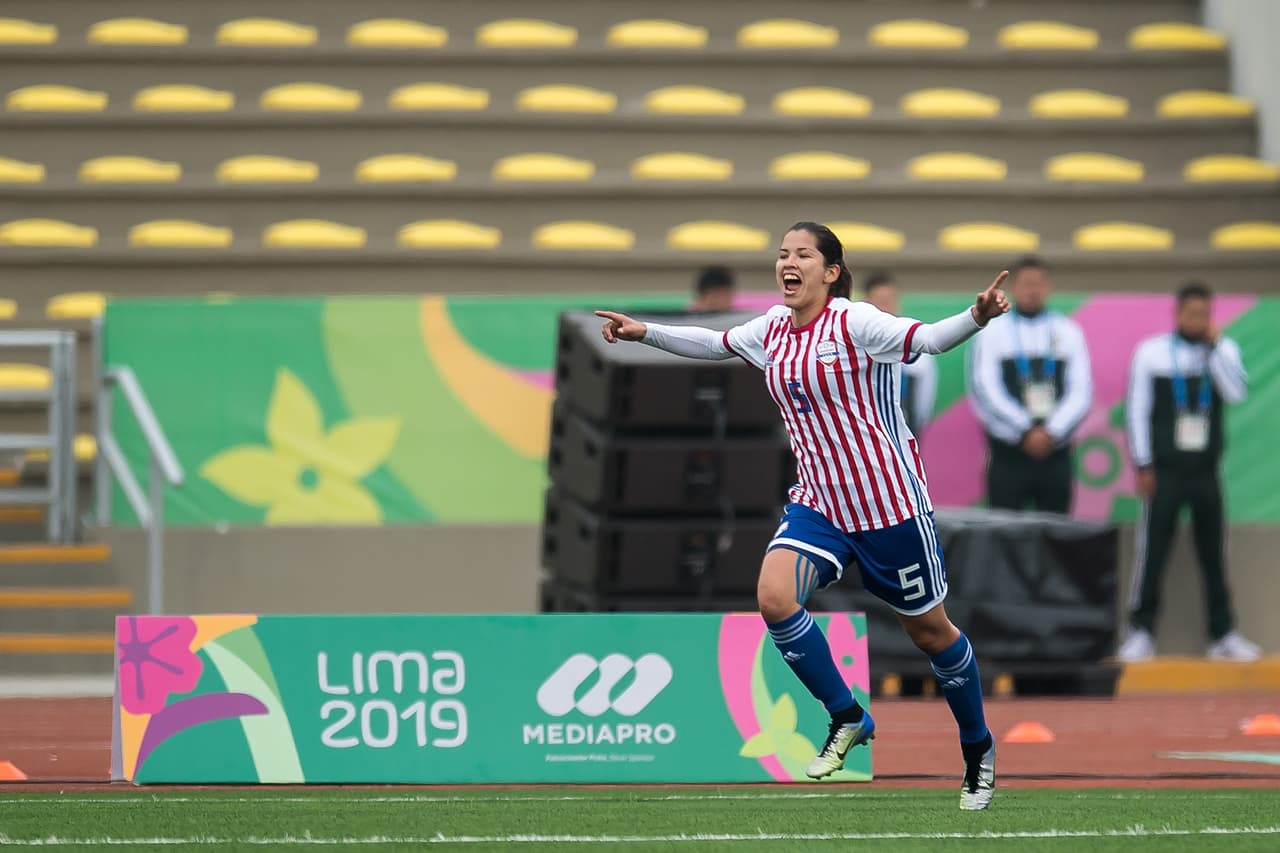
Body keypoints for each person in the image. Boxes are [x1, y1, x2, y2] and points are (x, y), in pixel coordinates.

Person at [596, 222, 1010, 810]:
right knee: (774, 597)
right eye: (782, 254)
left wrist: (977, 316)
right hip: (818, 503)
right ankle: (847, 716)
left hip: (888, 505)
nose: (788, 263)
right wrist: (644, 333)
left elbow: (932, 340)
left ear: (831, 271)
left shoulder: (857, 322)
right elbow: (713, 345)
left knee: (929, 632)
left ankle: (978, 750)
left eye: (803, 255)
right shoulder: (771, 329)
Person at [1118, 282, 1260, 662]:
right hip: (1164, 471)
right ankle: (1141, 632)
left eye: (1204, 314)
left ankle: (1222, 634)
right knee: (1154, 551)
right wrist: (1143, 463)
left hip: (1205, 470)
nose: (1197, 321)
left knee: (1213, 551)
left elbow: (1236, 394)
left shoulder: (1223, 350)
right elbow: (1138, 409)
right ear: (1178, 313)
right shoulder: (1152, 353)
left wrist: (1214, 350)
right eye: (1191, 313)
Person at [967, 256, 1092, 514]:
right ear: (1013, 287)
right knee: (1004, 536)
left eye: (1038, 284)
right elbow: (985, 387)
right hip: (1008, 452)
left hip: (1055, 452)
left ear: (1049, 287)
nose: (1032, 290)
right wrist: (1025, 431)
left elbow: (1081, 390)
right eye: (1026, 284)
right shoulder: (993, 332)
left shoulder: (1068, 331)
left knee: (1056, 537)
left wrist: (1052, 432)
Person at [864, 271, 937, 437]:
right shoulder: (855, 345)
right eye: (881, 302)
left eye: (890, 301)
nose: (887, 308)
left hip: (905, 432)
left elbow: (924, 401)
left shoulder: (915, 346)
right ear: (867, 304)